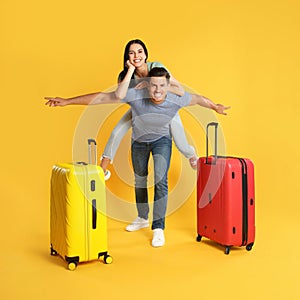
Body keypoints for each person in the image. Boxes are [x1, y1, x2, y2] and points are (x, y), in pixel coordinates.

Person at [45, 67, 230, 247]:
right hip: (139, 142)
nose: (157, 90)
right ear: (147, 86)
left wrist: (215, 106)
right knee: (140, 180)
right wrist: (67, 101)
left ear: (168, 87)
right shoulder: (136, 96)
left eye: (162, 86)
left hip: (162, 141)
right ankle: (142, 217)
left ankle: (158, 227)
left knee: (160, 180)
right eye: (154, 86)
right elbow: (101, 97)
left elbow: (198, 99)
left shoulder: (176, 99)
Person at [100, 39, 198, 173]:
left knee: (181, 144)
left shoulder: (156, 67)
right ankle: (102, 170)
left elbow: (180, 90)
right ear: (127, 57)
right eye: (132, 53)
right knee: (116, 132)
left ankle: (191, 154)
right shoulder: (126, 76)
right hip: (141, 110)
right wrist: (131, 70)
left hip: (165, 107)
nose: (136, 56)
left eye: (140, 52)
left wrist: (149, 84)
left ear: (146, 55)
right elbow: (119, 95)